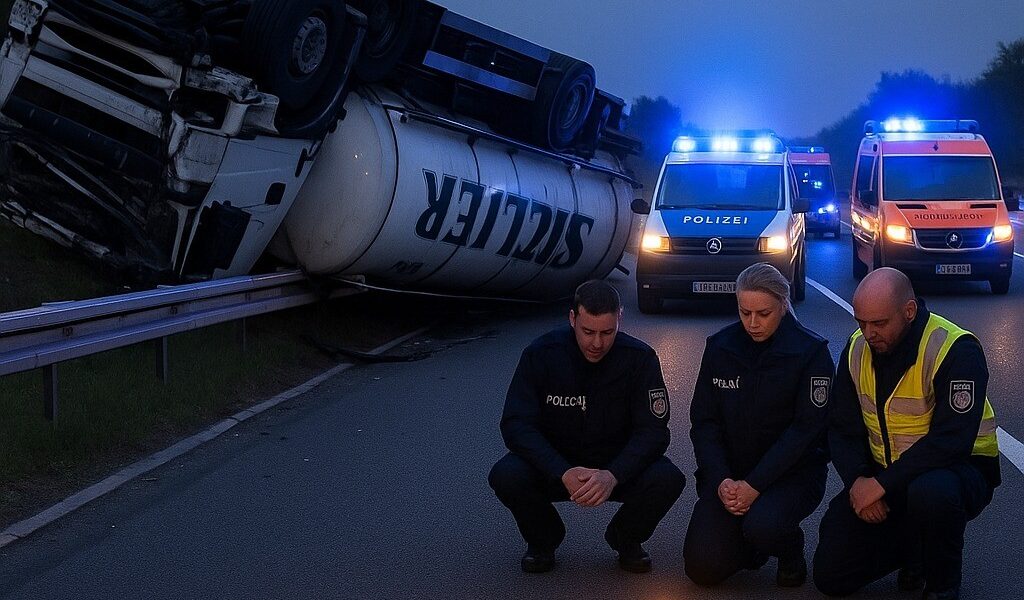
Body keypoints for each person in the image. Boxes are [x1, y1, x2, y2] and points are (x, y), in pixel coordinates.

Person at [813, 268, 1000, 600]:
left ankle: (942, 585)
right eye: (861, 323)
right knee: (831, 576)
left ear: (909, 311)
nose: (868, 333)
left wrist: (881, 485)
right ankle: (914, 548)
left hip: (959, 470)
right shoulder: (857, 348)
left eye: (879, 323)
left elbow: (951, 441)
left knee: (932, 493)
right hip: (886, 474)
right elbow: (841, 428)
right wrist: (858, 481)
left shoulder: (956, 349)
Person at [488, 279, 685, 574]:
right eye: (588, 331)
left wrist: (614, 474)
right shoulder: (540, 354)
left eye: (607, 332)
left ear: (619, 318)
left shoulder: (640, 359)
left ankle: (626, 538)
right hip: (556, 464)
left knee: (668, 478)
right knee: (506, 474)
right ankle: (543, 540)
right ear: (572, 318)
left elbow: (654, 432)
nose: (597, 343)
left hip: (616, 465)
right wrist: (561, 470)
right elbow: (516, 424)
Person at [684, 263, 833, 588]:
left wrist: (755, 485)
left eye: (763, 314)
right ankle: (751, 547)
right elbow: (704, 423)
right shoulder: (720, 347)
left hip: (791, 476)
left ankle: (789, 549)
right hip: (731, 475)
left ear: (783, 304)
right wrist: (720, 479)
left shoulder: (811, 353)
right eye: (745, 312)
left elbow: (805, 432)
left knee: (764, 525)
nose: (752, 323)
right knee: (702, 568)